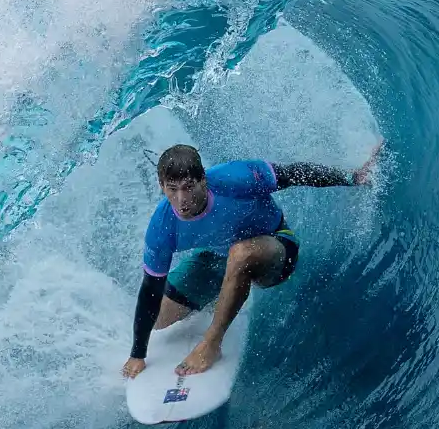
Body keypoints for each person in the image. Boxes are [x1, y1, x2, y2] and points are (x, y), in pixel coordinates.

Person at [120, 141, 383, 380]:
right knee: (159, 321)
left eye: (189, 187)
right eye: (172, 189)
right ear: (161, 186)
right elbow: (150, 290)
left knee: (241, 253)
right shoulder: (162, 227)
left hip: (275, 245)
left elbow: (294, 173)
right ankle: (223, 294)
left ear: (203, 180)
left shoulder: (236, 179)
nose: (181, 199)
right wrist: (137, 353)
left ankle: (212, 342)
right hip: (217, 257)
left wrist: (353, 178)